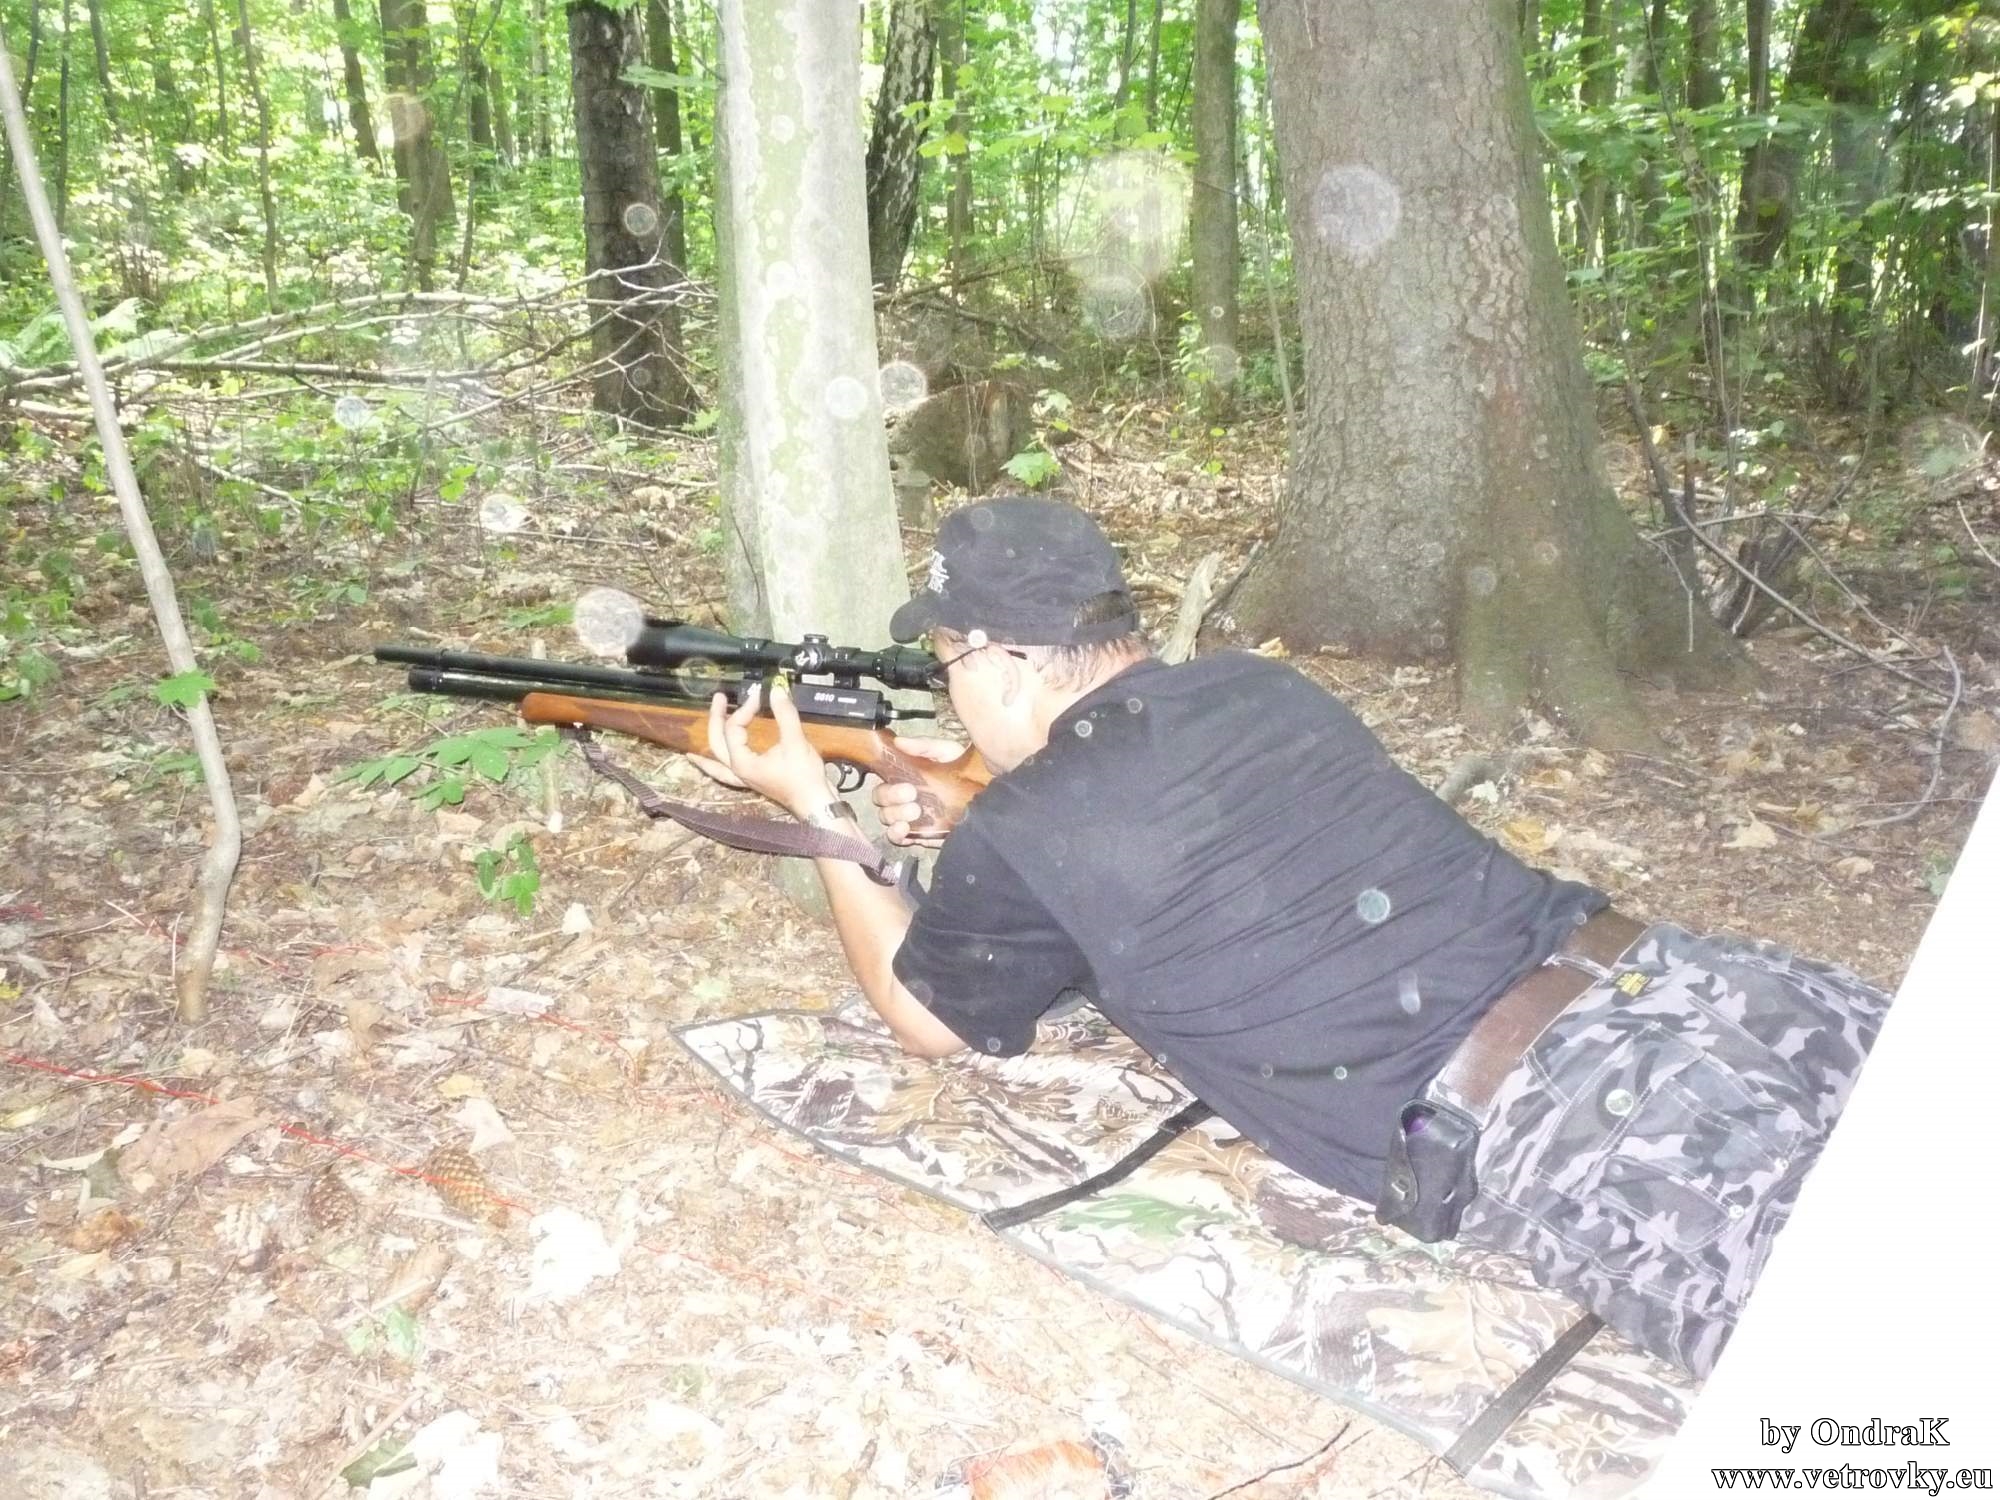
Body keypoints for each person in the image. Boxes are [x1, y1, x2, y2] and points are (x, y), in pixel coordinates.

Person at [692, 496, 1889, 1382]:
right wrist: (980, 819)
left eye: (947, 659)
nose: (944, 686)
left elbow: (924, 1020)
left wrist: (813, 808)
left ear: (1004, 664)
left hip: (1582, 1133)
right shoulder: (1257, 688)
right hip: (1693, 982)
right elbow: (1206, 832)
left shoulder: (1030, 827)